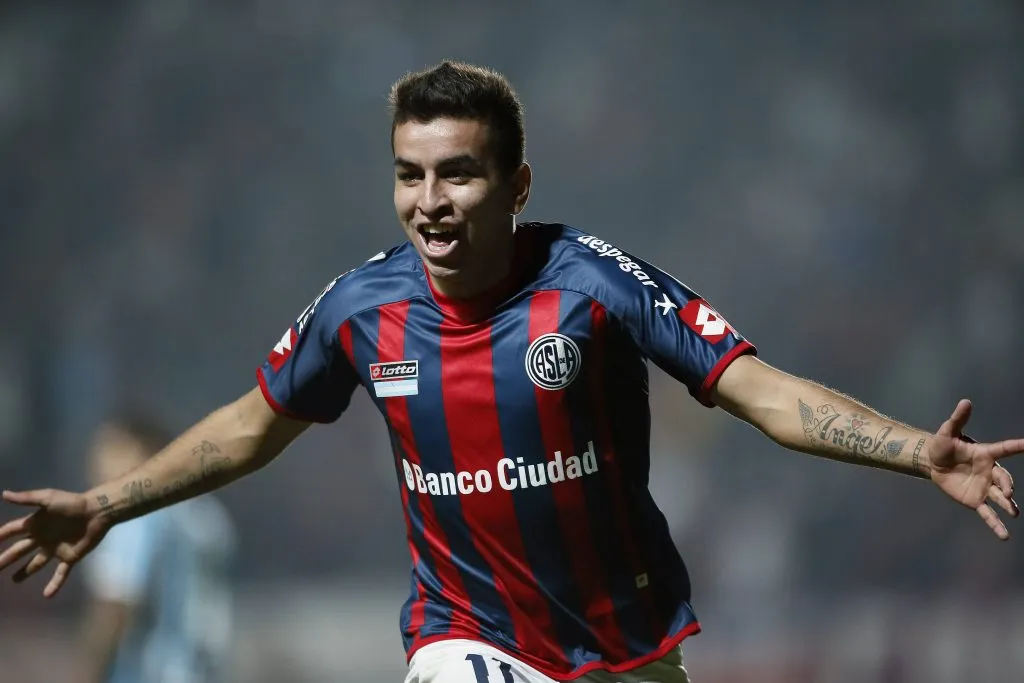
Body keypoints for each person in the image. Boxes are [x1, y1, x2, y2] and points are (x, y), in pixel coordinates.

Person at [0, 61, 1020, 683]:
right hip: (463, 632)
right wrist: (109, 499)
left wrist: (912, 449)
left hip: (626, 641)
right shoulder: (362, 305)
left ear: (517, 183)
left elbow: (761, 390)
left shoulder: (593, 285)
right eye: (410, 174)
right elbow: (248, 423)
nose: (429, 201)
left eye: (459, 173)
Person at [77, 415, 236, 683]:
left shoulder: (134, 515)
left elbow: (116, 605)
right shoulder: (206, 514)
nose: (98, 465)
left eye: (112, 451)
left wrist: (86, 675)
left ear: (148, 453)